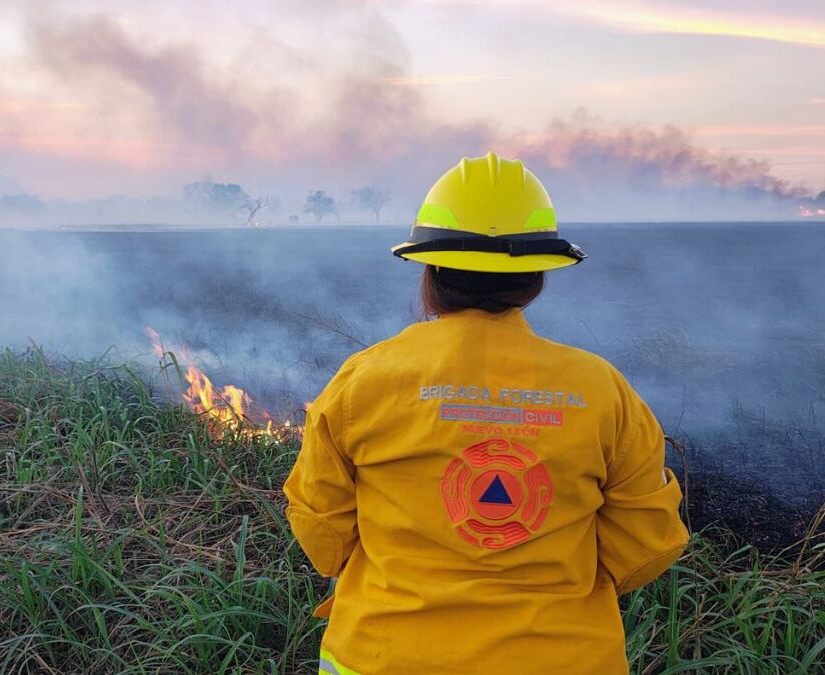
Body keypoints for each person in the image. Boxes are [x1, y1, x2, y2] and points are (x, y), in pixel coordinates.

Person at [283, 152, 690, 675]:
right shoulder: (601, 390)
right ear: (536, 277)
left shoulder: (365, 380)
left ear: (429, 272)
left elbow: (322, 531)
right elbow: (646, 545)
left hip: (384, 654)